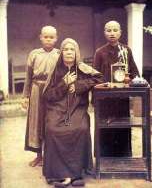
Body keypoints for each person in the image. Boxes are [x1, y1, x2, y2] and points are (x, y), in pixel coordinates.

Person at [42, 38, 103, 187]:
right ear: (61, 53)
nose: (69, 52)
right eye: (66, 49)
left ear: (77, 53)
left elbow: (100, 78)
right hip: (57, 109)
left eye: (72, 49)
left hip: (77, 108)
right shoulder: (55, 70)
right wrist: (64, 83)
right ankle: (61, 175)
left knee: (80, 129)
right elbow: (47, 95)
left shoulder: (83, 68)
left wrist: (79, 85)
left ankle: (75, 174)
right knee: (53, 130)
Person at [93, 20, 139, 157]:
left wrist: (129, 79)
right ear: (104, 33)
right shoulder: (99, 52)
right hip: (105, 98)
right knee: (105, 127)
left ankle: (124, 154)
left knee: (122, 125)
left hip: (122, 98)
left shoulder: (126, 50)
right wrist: (104, 84)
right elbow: (95, 76)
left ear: (120, 32)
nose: (112, 33)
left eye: (115, 30)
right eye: (108, 30)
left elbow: (134, 72)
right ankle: (104, 157)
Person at [23, 25, 60, 167]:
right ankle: (39, 156)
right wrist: (25, 96)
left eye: (51, 37)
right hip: (36, 90)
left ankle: (51, 156)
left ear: (56, 39)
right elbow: (28, 76)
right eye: (45, 37)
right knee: (36, 122)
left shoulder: (59, 54)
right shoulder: (34, 54)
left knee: (51, 122)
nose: (48, 40)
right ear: (40, 37)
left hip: (52, 91)